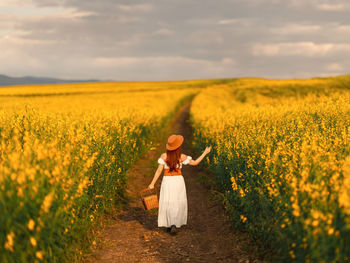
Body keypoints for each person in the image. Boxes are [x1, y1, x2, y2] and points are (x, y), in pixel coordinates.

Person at [148, 134, 211, 235]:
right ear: (178, 147)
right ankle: (174, 223)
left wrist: (152, 183)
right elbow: (195, 163)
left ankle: (169, 223)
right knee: (177, 201)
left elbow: (159, 171)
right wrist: (205, 153)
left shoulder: (164, 156)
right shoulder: (182, 157)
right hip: (178, 181)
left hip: (167, 181)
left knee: (168, 201)